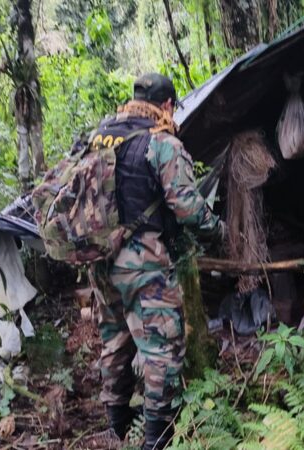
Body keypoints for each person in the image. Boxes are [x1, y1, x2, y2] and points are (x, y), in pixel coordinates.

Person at [87, 73, 224, 449]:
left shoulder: (101, 135)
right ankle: (156, 439)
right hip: (142, 262)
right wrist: (219, 231)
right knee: (162, 350)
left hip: (100, 260)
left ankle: (116, 428)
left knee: (115, 340)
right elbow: (188, 208)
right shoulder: (161, 142)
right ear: (167, 105)